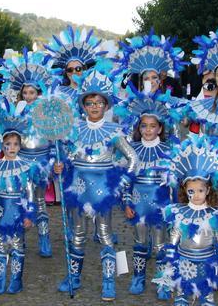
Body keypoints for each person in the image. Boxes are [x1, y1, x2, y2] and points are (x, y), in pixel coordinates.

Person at [53, 68, 139, 301]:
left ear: (106, 105)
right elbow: (66, 157)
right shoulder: (74, 130)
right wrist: (59, 167)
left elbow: (133, 158)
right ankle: (74, 277)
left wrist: (119, 186)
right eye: (89, 103)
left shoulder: (113, 131)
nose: (93, 107)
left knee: (105, 234)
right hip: (78, 190)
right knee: (77, 234)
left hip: (102, 191)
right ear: (83, 105)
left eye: (98, 103)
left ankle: (109, 281)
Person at [156, 134, 218, 306]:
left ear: (208, 190)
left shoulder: (214, 214)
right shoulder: (179, 212)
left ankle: (206, 299)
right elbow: (174, 237)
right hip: (184, 260)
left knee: (206, 292)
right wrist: (170, 258)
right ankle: (182, 297)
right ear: (185, 191)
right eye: (192, 191)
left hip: (207, 261)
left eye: (200, 190)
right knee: (183, 291)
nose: (196, 195)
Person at [115, 88, 178, 298]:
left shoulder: (169, 151)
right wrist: (126, 203)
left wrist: (172, 207)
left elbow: (175, 183)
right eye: (144, 126)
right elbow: (125, 181)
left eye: (153, 126)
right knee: (140, 242)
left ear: (160, 128)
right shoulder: (131, 149)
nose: (148, 130)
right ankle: (138, 277)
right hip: (137, 202)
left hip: (160, 205)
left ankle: (163, 281)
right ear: (138, 127)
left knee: (161, 243)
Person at [1, 49, 59, 258]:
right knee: (21, 199)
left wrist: (52, 161)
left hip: (41, 161)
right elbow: (8, 138)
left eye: (32, 93)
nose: (28, 96)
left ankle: (44, 237)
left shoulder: (48, 114)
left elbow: (54, 141)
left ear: (39, 94)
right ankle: (19, 239)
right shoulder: (15, 114)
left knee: (40, 200)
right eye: (25, 93)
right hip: (22, 161)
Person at [0, 105, 40, 295]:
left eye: (15, 144)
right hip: (1, 210)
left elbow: (30, 194)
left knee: (18, 245)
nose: (11, 148)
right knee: (0, 245)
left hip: (18, 210)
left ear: (21, 145)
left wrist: (29, 215)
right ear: (2, 146)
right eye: (7, 144)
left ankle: (16, 280)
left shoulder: (26, 167)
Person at [44, 26, 107, 102]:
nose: (74, 72)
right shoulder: (58, 92)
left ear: (84, 70)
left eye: (78, 69)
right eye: (69, 70)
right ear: (65, 72)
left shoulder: (93, 92)